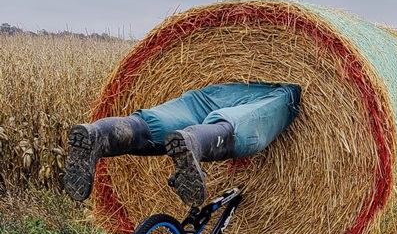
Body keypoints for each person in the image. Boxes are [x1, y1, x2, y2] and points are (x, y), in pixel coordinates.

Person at [64, 82, 301, 207]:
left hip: (210, 92)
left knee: (150, 124)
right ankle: (194, 142)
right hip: (271, 93)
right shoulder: (286, 92)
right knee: (240, 123)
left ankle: (97, 134)